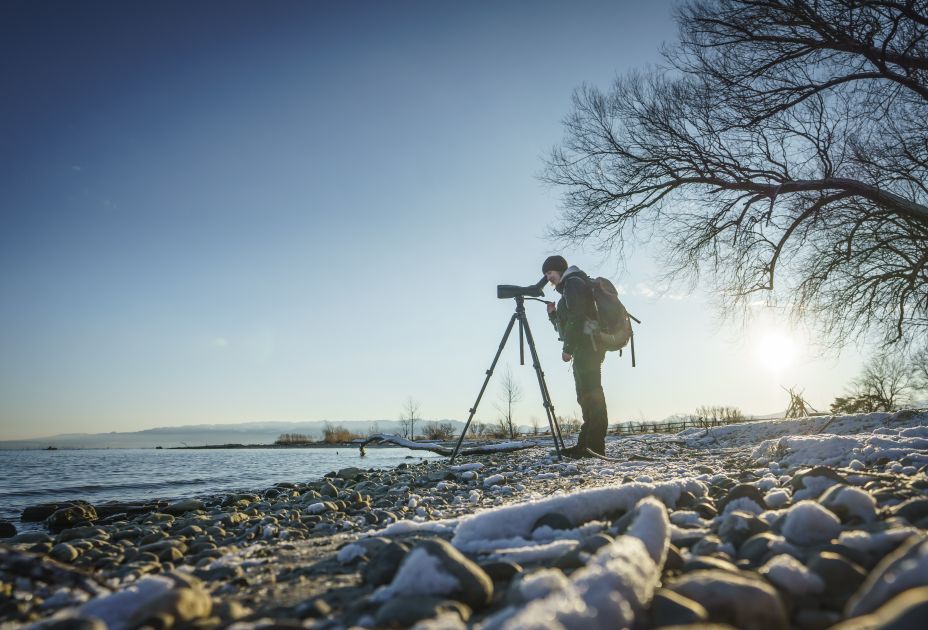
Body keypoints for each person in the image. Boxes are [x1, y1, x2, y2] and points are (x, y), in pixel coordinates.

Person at [543, 255, 608, 458]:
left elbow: (577, 318)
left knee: (592, 395)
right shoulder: (568, 289)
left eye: (550, 273)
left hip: (589, 347)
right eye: (546, 275)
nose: (548, 278)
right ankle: (585, 444)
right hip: (584, 348)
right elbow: (565, 325)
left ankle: (595, 446)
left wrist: (568, 348)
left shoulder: (573, 283)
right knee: (585, 396)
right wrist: (553, 314)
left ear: (559, 270)